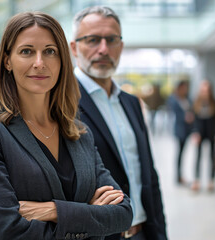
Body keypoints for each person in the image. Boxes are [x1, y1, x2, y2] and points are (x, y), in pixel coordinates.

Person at [0, 11, 133, 240]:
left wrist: (52, 210)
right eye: (27, 51)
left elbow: (122, 214)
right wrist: (90, 217)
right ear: (7, 61)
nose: (39, 63)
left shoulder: (79, 133)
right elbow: (9, 230)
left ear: (62, 60)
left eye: (50, 52)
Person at [70, 6, 167, 240]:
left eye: (111, 40)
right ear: (74, 48)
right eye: (93, 40)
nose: (103, 49)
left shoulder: (132, 103)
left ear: (121, 47)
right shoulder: (61, 103)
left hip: (143, 231)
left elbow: (149, 176)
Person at [191, 80, 215, 192]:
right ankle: (196, 180)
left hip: (211, 132)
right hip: (200, 132)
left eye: (207, 89)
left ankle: (211, 180)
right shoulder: (196, 102)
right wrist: (195, 132)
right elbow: (194, 120)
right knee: (198, 156)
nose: (205, 92)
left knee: (212, 157)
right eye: (203, 90)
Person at [167, 80, 194, 185]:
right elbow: (174, 113)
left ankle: (180, 175)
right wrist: (185, 117)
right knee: (179, 153)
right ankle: (178, 176)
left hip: (187, 129)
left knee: (183, 152)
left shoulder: (187, 99)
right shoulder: (174, 99)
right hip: (180, 129)